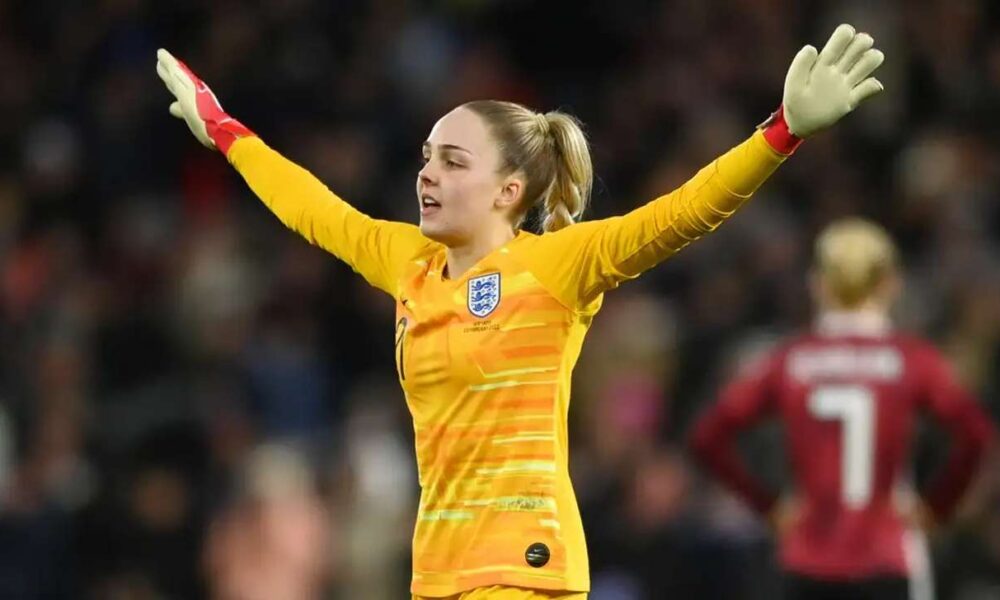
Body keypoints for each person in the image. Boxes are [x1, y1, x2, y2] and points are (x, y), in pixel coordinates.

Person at [157, 24, 885, 600]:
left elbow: (682, 214)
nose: (427, 173)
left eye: (453, 161)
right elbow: (314, 210)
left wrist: (781, 132)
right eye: (426, 156)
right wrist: (224, 130)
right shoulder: (408, 262)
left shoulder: (556, 265)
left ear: (509, 191)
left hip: (525, 565)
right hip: (437, 570)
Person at [690, 218, 996, 600]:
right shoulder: (911, 361)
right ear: (890, 284)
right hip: (884, 555)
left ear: (818, 284)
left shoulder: (790, 360)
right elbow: (975, 434)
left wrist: (767, 506)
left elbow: (707, 436)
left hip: (807, 558)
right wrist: (938, 506)